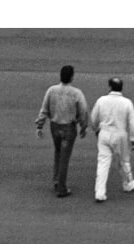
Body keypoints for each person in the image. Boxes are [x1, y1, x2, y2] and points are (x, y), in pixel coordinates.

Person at [35, 65, 89, 198]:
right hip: (68, 128)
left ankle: (56, 180)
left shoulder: (51, 90)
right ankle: (61, 188)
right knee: (65, 157)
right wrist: (83, 126)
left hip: (55, 127)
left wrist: (40, 125)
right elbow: (83, 111)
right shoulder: (76, 93)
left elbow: (44, 109)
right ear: (72, 77)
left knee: (58, 152)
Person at [90, 76, 134, 202]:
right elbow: (132, 123)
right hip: (120, 134)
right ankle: (128, 183)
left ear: (110, 87)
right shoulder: (127, 102)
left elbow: (93, 118)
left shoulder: (101, 100)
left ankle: (100, 192)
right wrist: (133, 139)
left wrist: (96, 129)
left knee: (103, 163)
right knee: (123, 161)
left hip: (104, 133)